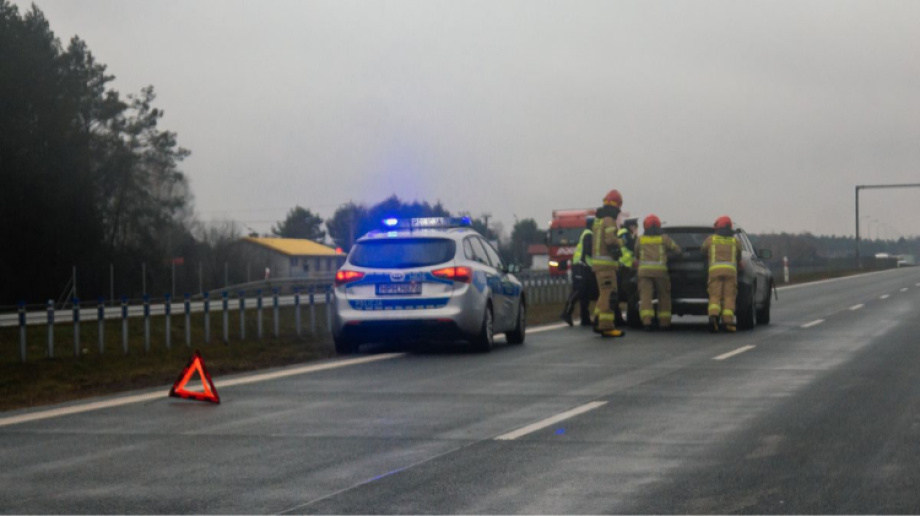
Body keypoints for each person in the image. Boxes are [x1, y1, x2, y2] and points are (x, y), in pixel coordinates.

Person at [635, 214, 682, 330]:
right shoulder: (664, 238)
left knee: (646, 297)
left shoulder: (640, 239)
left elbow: (636, 253)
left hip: (644, 273)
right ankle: (664, 322)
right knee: (664, 296)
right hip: (660, 273)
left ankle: (647, 321)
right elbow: (677, 250)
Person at [591, 190, 625, 338]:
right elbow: (610, 240)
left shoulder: (598, 221)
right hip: (606, 266)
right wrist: (621, 242)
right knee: (609, 295)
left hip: (598, 265)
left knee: (603, 295)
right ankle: (606, 326)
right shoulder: (609, 220)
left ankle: (598, 320)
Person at [701, 215, 742, 332]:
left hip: (715, 272)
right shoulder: (735, 241)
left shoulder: (711, 240)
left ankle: (713, 317)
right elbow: (739, 255)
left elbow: (703, 250)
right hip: (730, 273)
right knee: (729, 297)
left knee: (715, 296)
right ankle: (727, 322)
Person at [560, 217, 597, 326]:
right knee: (578, 291)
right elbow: (589, 252)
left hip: (583, 267)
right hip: (580, 267)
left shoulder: (588, 234)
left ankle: (585, 318)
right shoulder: (588, 235)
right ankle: (566, 313)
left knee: (585, 293)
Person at [615, 218, 639, 326]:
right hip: (623, 268)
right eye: (635, 227)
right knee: (628, 292)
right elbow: (631, 247)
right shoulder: (624, 234)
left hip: (622, 267)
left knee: (619, 293)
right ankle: (624, 318)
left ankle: (618, 317)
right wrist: (636, 238)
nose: (636, 229)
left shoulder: (623, 233)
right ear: (631, 226)